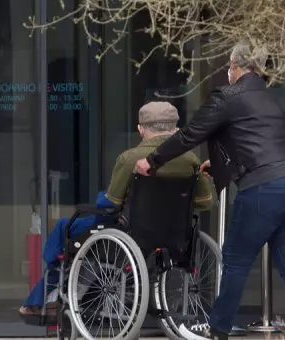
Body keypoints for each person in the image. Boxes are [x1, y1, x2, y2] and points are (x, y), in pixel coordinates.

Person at [135, 42, 285, 340]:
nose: (228, 71)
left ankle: (217, 329)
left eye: (229, 66)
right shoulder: (270, 99)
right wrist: (218, 165)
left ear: (235, 65)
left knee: (235, 259)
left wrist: (152, 160)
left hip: (264, 187)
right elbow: (256, 141)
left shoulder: (228, 96)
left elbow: (191, 134)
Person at [19, 101, 214, 324]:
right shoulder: (190, 159)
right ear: (175, 128)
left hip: (130, 234)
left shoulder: (130, 158)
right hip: (175, 235)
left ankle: (44, 294)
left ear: (141, 129)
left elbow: (110, 204)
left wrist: (102, 198)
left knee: (65, 227)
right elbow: (204, 202)